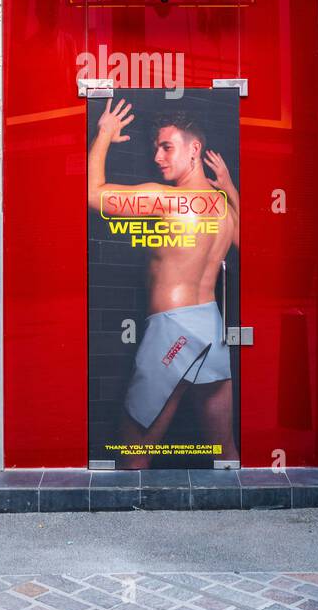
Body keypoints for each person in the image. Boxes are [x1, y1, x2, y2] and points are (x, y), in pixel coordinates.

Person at [88, 97, 239, 466]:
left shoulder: (167, 200)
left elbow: (93, 194)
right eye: (156, 147)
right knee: (225, 453)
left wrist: (104, 133)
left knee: (133, 454)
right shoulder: (223, 207)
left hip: (172, 330)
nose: (158, 157)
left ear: (195, 149)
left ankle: (127, 525)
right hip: (210, 325)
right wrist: (231, 187)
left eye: (167, 146)